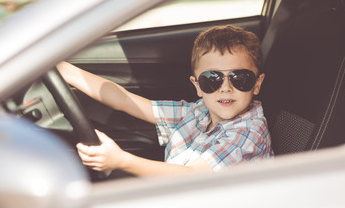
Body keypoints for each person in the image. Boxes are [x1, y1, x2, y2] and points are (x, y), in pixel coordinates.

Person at [57, 25, 273, 177]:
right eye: (212, 79)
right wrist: (67, 72)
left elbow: (191, 178)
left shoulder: (248, 132)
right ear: (197, 85)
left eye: (240, 78)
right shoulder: (199, 111)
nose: (226, 87)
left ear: (257, 84)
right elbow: (124, 100)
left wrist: (121, 161)